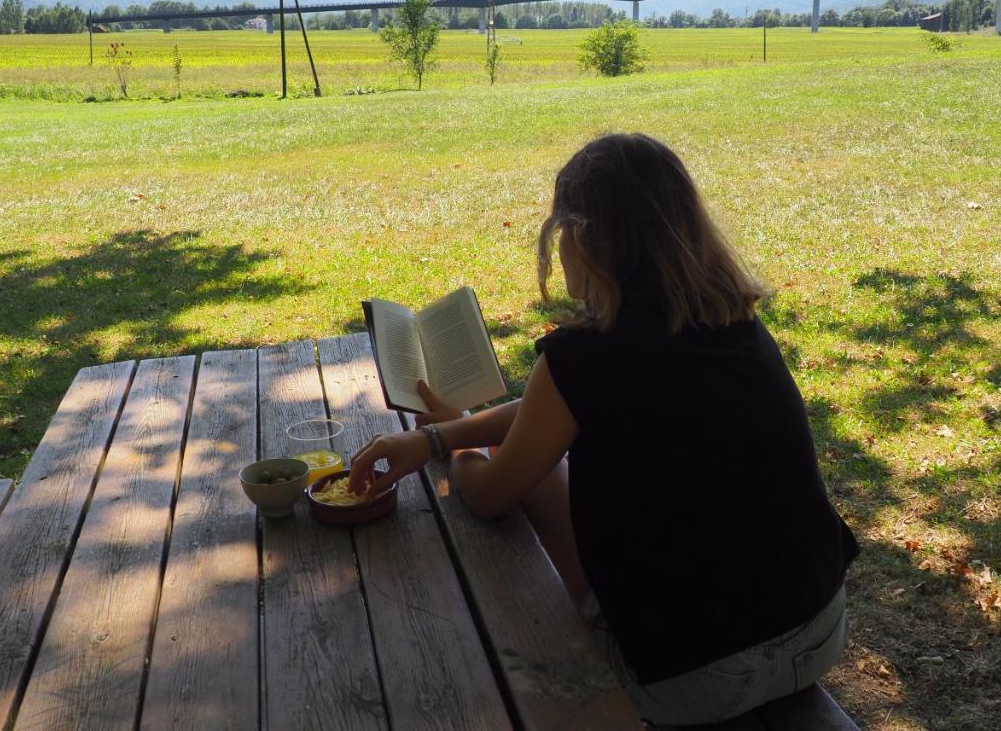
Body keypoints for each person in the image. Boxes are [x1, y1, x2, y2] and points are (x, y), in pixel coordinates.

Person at [350, 133, 859, 725]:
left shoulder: (583, 358)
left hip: (691, 683)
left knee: (533, 479)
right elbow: (558, 410)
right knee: (543, 458)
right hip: (819, 628)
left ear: (587, 240)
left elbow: (489, 497)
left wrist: (456, 452)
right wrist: (440, 436)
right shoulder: (732, 321)